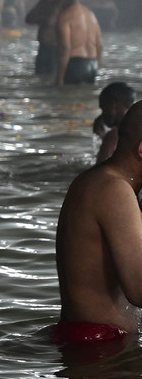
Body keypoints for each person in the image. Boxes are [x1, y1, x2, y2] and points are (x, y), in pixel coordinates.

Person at [54, 100, 142, 344]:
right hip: (99, 351)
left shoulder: (99, 182)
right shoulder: (114, 190)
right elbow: (139, 288)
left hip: (92, 342)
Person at [56, 0, 103, 87]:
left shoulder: (65, 16)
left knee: (68, 100)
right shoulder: (90, 14)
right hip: (92, 63)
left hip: (76, 64)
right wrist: (96, 67)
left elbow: (65, 47)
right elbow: (99, 45)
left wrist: (60, 78)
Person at [25, 0, 59, 77]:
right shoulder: (43, 2)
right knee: (40, 78)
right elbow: (28, 18)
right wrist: (43, 19)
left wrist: (41, 18)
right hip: (43, 47)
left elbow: (50, 21)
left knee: (51, 78)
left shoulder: (58, 2)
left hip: (55, 48)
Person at [94, 82, 136, 164]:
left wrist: (107, 139)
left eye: (103, 108)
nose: (102, 115)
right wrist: (103, 136)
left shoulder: (115, 135)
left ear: (112, 105)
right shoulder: (136, 129)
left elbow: (100, 171)